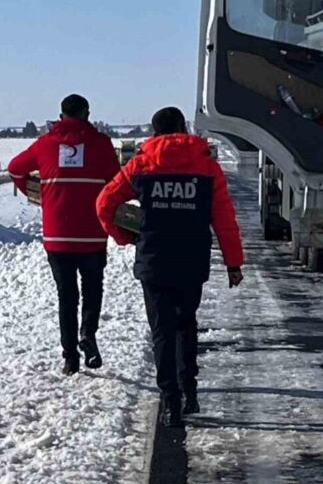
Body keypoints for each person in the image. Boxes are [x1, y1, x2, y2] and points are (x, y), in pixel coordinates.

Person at [96, 107, 244, 426]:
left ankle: (170, 401)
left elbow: (104, 204)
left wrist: (124, 236)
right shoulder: (207, 167)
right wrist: (233, 263)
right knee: (185, 323)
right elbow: (224, 219)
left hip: (154, 261)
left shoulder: (140, 165)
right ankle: (190, 390)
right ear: (182, 127)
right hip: (192, 261)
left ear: (154, 131)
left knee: (162, 331)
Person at [8, 94, 121, 375]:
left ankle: (70, 356)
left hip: (57, 236)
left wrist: (37, 193)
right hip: (93, 234)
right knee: (93, 289)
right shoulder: (101, 143)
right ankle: (88, 334)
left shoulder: (45, 143)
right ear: (86, 114)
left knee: (66, 296)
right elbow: (116, 182)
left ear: (61, 116)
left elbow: (15, 169)